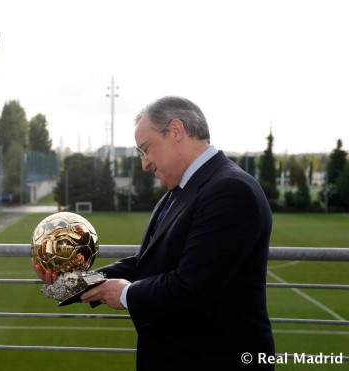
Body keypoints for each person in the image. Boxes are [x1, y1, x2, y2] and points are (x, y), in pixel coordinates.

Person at [34, 96, 275, 370]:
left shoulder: (230, 190)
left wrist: (126, 295)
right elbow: (147, 263)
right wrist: (70, 284)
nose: (144, 164)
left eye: (146, 149)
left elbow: (194, 287)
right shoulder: (180, 191)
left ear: (176, 131)